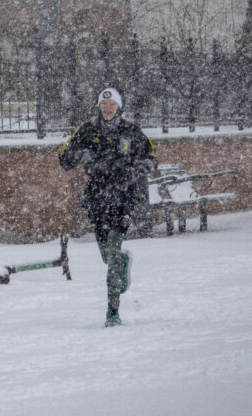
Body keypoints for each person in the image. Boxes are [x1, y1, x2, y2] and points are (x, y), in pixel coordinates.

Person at [59, 87, 156, 327]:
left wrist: (137, 170)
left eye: (112, 104)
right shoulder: (88, 130)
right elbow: (64, 158)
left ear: (119, 106)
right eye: (104, 104)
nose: (108, 108)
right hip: (97, 199)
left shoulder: (131, 131)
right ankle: (122, 261)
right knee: (107, 256)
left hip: (123, 198)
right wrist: (81, 154)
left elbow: (151, 157)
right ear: (99, 107)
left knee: (112, 253)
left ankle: (112, 312)